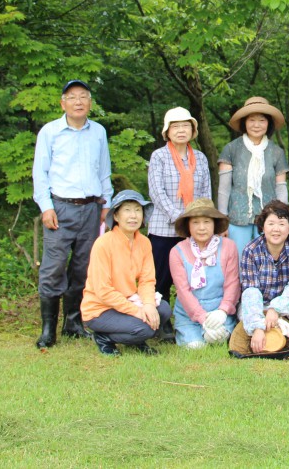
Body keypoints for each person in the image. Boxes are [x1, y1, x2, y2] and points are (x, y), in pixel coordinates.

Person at [32, 79, 113, 349]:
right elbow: (40, 173)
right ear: (62, 103)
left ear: (90, 103)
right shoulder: (50, 132)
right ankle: (48, 329)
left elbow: (104, 170)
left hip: (91, 207)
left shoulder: (98, 132)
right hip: (60, 207)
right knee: (53, 268)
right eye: (72, 97)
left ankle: (73, 322)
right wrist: (46, 207)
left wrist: (106, 204)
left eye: (83, 97)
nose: (78, 102)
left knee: (83, 267)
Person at [148, 106, 212, 339]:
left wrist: (200, 221)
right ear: (167, 131)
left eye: (185, 125)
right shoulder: (159, 156)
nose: (181, 130)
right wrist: (181, 219)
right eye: (175, 126)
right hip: (164, 228)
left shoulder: (201, 158)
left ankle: (190, 319)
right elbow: (157, 193)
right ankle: (160, 322)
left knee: (192, 277)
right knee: (161, 278)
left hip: (194, 230)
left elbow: (206, 193)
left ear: (193, 130)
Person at [82, 190, 171, 356]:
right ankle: (104, 338)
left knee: (163, 310)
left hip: (127, 301)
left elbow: (147, 280)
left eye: (138, 210)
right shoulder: (103, 244)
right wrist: (137, 311)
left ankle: (133, 338)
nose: (133, 216)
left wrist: (149, 305)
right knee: (146, 328)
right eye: (127, 210)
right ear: (116, 216)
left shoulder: (144, 242)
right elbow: (103, 291)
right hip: (101, 309)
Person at [232, 200, 289, 355]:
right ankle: (264, 335)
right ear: (263, 227)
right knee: (244, 315)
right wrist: (258, 326)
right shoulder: (251, 250)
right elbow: (250, 290)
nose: (276, 229)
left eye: (282, 224)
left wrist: (275, 309)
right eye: (271, 224)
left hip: (285, 305)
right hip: (260, 303)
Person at [217, 97, 289, 248]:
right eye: (252, 120)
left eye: (262, 120)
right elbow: (224, 188)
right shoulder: (231, 149)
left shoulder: (276, 152)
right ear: (244, 122)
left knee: (267, 261)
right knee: (237, 260)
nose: (256, 125)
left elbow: (281, 188)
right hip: (237, 217)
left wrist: (283, 218)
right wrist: (222, 219)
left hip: (270, 218)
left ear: (268, 123)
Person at [169, 198, 241, 348]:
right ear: (188, 225)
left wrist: (223, 310)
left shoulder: (229, 246)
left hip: (219, 311)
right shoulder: (177, 251)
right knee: (195, 346)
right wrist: (201, 317)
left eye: (207, 222)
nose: (201, 227)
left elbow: (233, 283)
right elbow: (182, 291)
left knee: (215, 339)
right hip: (189, 314)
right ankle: (186, 333)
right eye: (195, 222)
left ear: (214, 224)